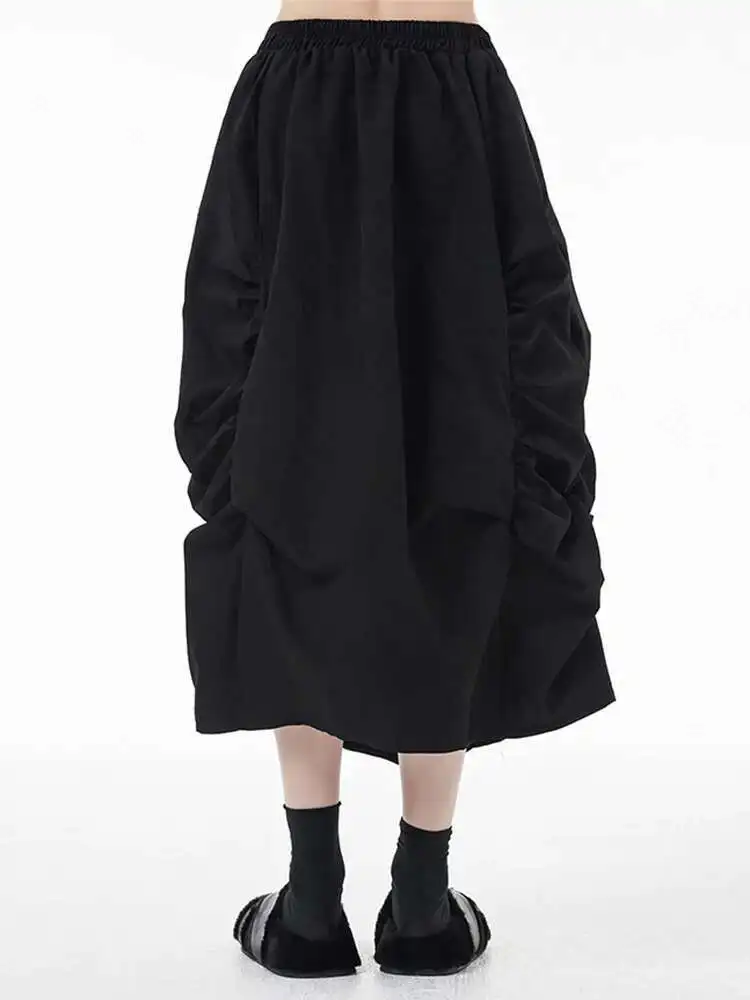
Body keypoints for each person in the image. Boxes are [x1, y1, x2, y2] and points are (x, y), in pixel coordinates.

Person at [173, 0, 616, 979]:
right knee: (462, 479)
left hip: (297, 85)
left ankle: (309, 901)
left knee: (285, 483)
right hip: (455, 88)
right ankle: (423, 900)